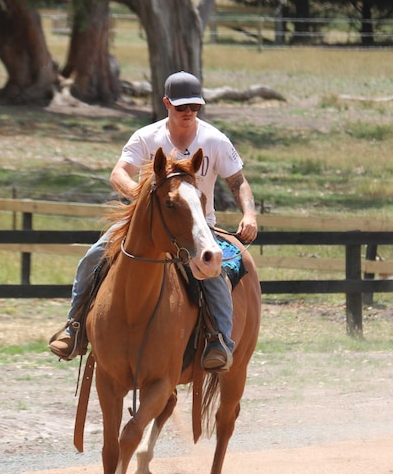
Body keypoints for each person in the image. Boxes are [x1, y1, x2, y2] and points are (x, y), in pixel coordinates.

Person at [49, 71, 258, 371]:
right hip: (144, 226)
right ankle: (75, 327)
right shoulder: (147, 137)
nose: (188, 113)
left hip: (197, 227)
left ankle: (218, 339)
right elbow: (118, 173)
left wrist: (249, 213)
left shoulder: (215, 141)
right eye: (181, 106)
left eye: (194, 107)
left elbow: (238, 181)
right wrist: (141, 196)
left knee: (214, 272)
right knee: (94, 255)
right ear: (166, 104)